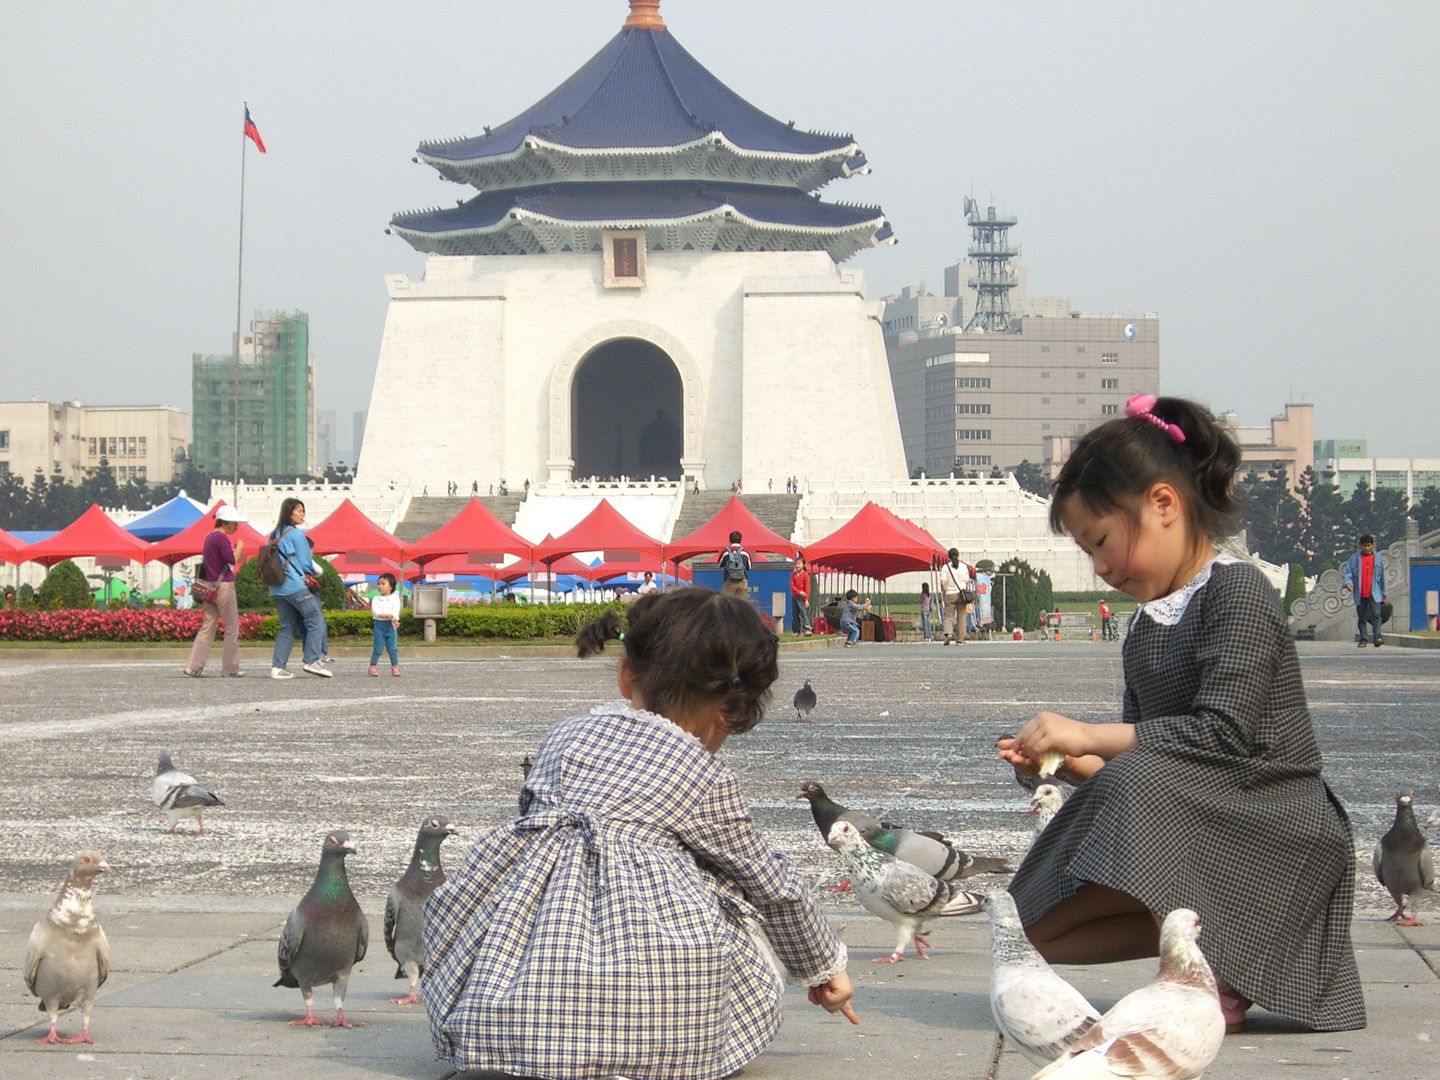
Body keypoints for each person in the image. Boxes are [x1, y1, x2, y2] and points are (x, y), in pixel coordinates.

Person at [996, 393, 1364, 1035]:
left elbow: (1222, 735)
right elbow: (1141, 759)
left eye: (1103, 540)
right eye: (1088, 551)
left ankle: (1218, 965)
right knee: (1029, 928)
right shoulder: (1145, 628)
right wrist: (1058, 760)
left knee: (1132, 783)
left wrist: (1087, 734)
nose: (1101, 566)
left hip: (1274, 818)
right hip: (1199, 809)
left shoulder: (1236, 591)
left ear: (1164, 504)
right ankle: (1196, 954)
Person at [419, 590, 858, 1076]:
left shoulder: (564, 735)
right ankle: (643, 1046)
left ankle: (518, 1028)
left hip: (527, 1006)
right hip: (653, 1010)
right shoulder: (702, 773)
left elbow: (530, 818)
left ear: (626, 675)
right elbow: (769, 883)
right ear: (729, 712)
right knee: (723, 888)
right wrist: (823, 965)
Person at [266, 498, 331, 679]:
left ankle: (278, 667)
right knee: (315, 620)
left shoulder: (273, 535)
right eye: (299, 510)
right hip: (294, 586)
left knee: (287, 626)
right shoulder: (296, 535)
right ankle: (312, 660)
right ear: (290, 512)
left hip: (277, 588)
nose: (303, 514)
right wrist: (315, 572)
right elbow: (305, 564)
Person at [184, 506, 248, 678]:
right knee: (231, 627)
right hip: (224, 586)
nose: (236, 526)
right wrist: (239, 547)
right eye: (234, 523)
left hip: (209, 587)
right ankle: (230, 668)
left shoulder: (209, 537)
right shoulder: (221, 538)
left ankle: (194, 665)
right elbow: (232, 560)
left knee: (208, 625)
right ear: (225, 522)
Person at [1342, 533, 1386, 647]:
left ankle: (1377, 637)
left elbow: (1382, 577)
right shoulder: (1355, 558)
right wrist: (1348, 583)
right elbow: (1348, 572)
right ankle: (1363, 639)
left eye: (1369, 545)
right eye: (1364, 546)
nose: (1366, 548)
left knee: (1376, 614)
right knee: (1362, 617)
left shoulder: (1378, 558)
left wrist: (1384, 592)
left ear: (1372, 545)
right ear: (1361, 546)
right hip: (1360, 592)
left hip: (1374, 591)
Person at [368, 572, 402, 677]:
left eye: (383, 584)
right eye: (379, 584)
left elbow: (395, 612)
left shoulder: (395, 599)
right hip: (379, 625)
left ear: (391, 586)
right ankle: (373, 667)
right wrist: (387, 616)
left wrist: (394, 619)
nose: (380, 586)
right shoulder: (376, 599)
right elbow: (376, 612)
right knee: (378, 648)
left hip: (390, 626)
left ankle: (395, 667)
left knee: (392, 649)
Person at [939, 548, 973, 645]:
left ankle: (948, 633)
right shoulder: (963, 567)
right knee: (961, 617)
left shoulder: (945, 568)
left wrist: (945, 592)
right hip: (961, 594)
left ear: (948, 556)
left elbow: (942, 583)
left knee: (948, 615)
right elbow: (967, 581)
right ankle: (960, 639)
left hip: (950, 594)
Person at [718, 531, 751, 600]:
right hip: (742, 581)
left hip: (729, 581)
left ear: (730, 540)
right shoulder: (745, 553)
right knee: (741, 605)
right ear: (740, 540)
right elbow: (749, 567)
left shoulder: (725, 552)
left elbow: (720, 564)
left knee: (727, 603)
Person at [790, 555, 813, 635]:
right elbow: (792, 585)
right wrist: (798, 592)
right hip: (794, 596)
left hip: (802, 598)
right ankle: (796, 630)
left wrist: (806, 599)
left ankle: (807, 629)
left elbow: (807, 587)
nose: (797, 566)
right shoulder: (793, 574)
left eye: (799, 564)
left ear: (803, 565)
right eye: (796, 564)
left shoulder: (805, 575)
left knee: (803, 613)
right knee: (795, 614)